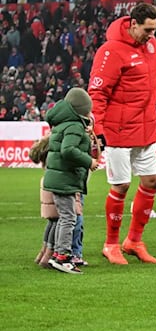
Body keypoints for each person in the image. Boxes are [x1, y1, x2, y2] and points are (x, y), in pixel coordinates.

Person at [88, 3, 156, 264]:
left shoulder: (151, 46)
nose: (151, 35)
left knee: (152, 181)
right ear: (133, 24)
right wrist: (98, 131)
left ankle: (134, 241)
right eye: (147, 30)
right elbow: (97, 93)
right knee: (120, 185)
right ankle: (111, 244)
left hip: (146, 130)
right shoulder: (110, 50)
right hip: (118, 131)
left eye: (155, 30)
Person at [43, 88, 98, 274]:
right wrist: (89, 161)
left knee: (63, 217)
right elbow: (68, 150)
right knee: (69, 218)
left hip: (59, 177)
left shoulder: (63, 123)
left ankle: (57, 254)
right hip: (65, 179)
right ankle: (63, 257)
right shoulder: (74, 126)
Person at [30, 135, 57, 267]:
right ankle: (48, 255)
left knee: (52, 220)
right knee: (58, 220)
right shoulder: (56, 140)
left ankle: (43, 253)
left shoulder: (47, 141)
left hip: (47, 180)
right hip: (56, 181)